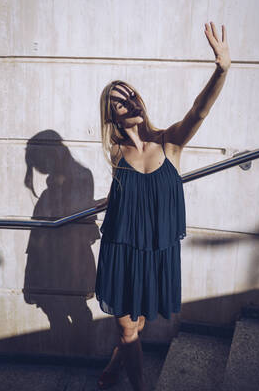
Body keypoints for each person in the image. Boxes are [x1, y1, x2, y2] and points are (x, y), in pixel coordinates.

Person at [95, 22, 231, 390]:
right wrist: (107, 203)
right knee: (127, 328)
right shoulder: (115, 154)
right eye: (120, 100)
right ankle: (141, 386)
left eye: (132, 95)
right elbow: (127, 194)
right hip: (121, 251)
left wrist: (221, 70)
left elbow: (198, 111)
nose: (131, 101)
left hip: (156, 249)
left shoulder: (170, 142)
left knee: (136, 324)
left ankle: (114, 363)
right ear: (112, 115)